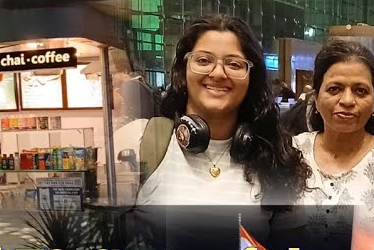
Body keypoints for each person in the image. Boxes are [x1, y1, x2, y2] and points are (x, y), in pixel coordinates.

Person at [113, 16, 310, 212]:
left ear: (251, 78)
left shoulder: (275, 158)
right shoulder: (138, 141)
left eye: (234, 64)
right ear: (183, 71)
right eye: (203, 60)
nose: (218, 73)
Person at [294, 39, 374, 250]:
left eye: (360, 91)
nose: (348, 100)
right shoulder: (293, 152)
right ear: (316, 97)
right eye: (335, 89)